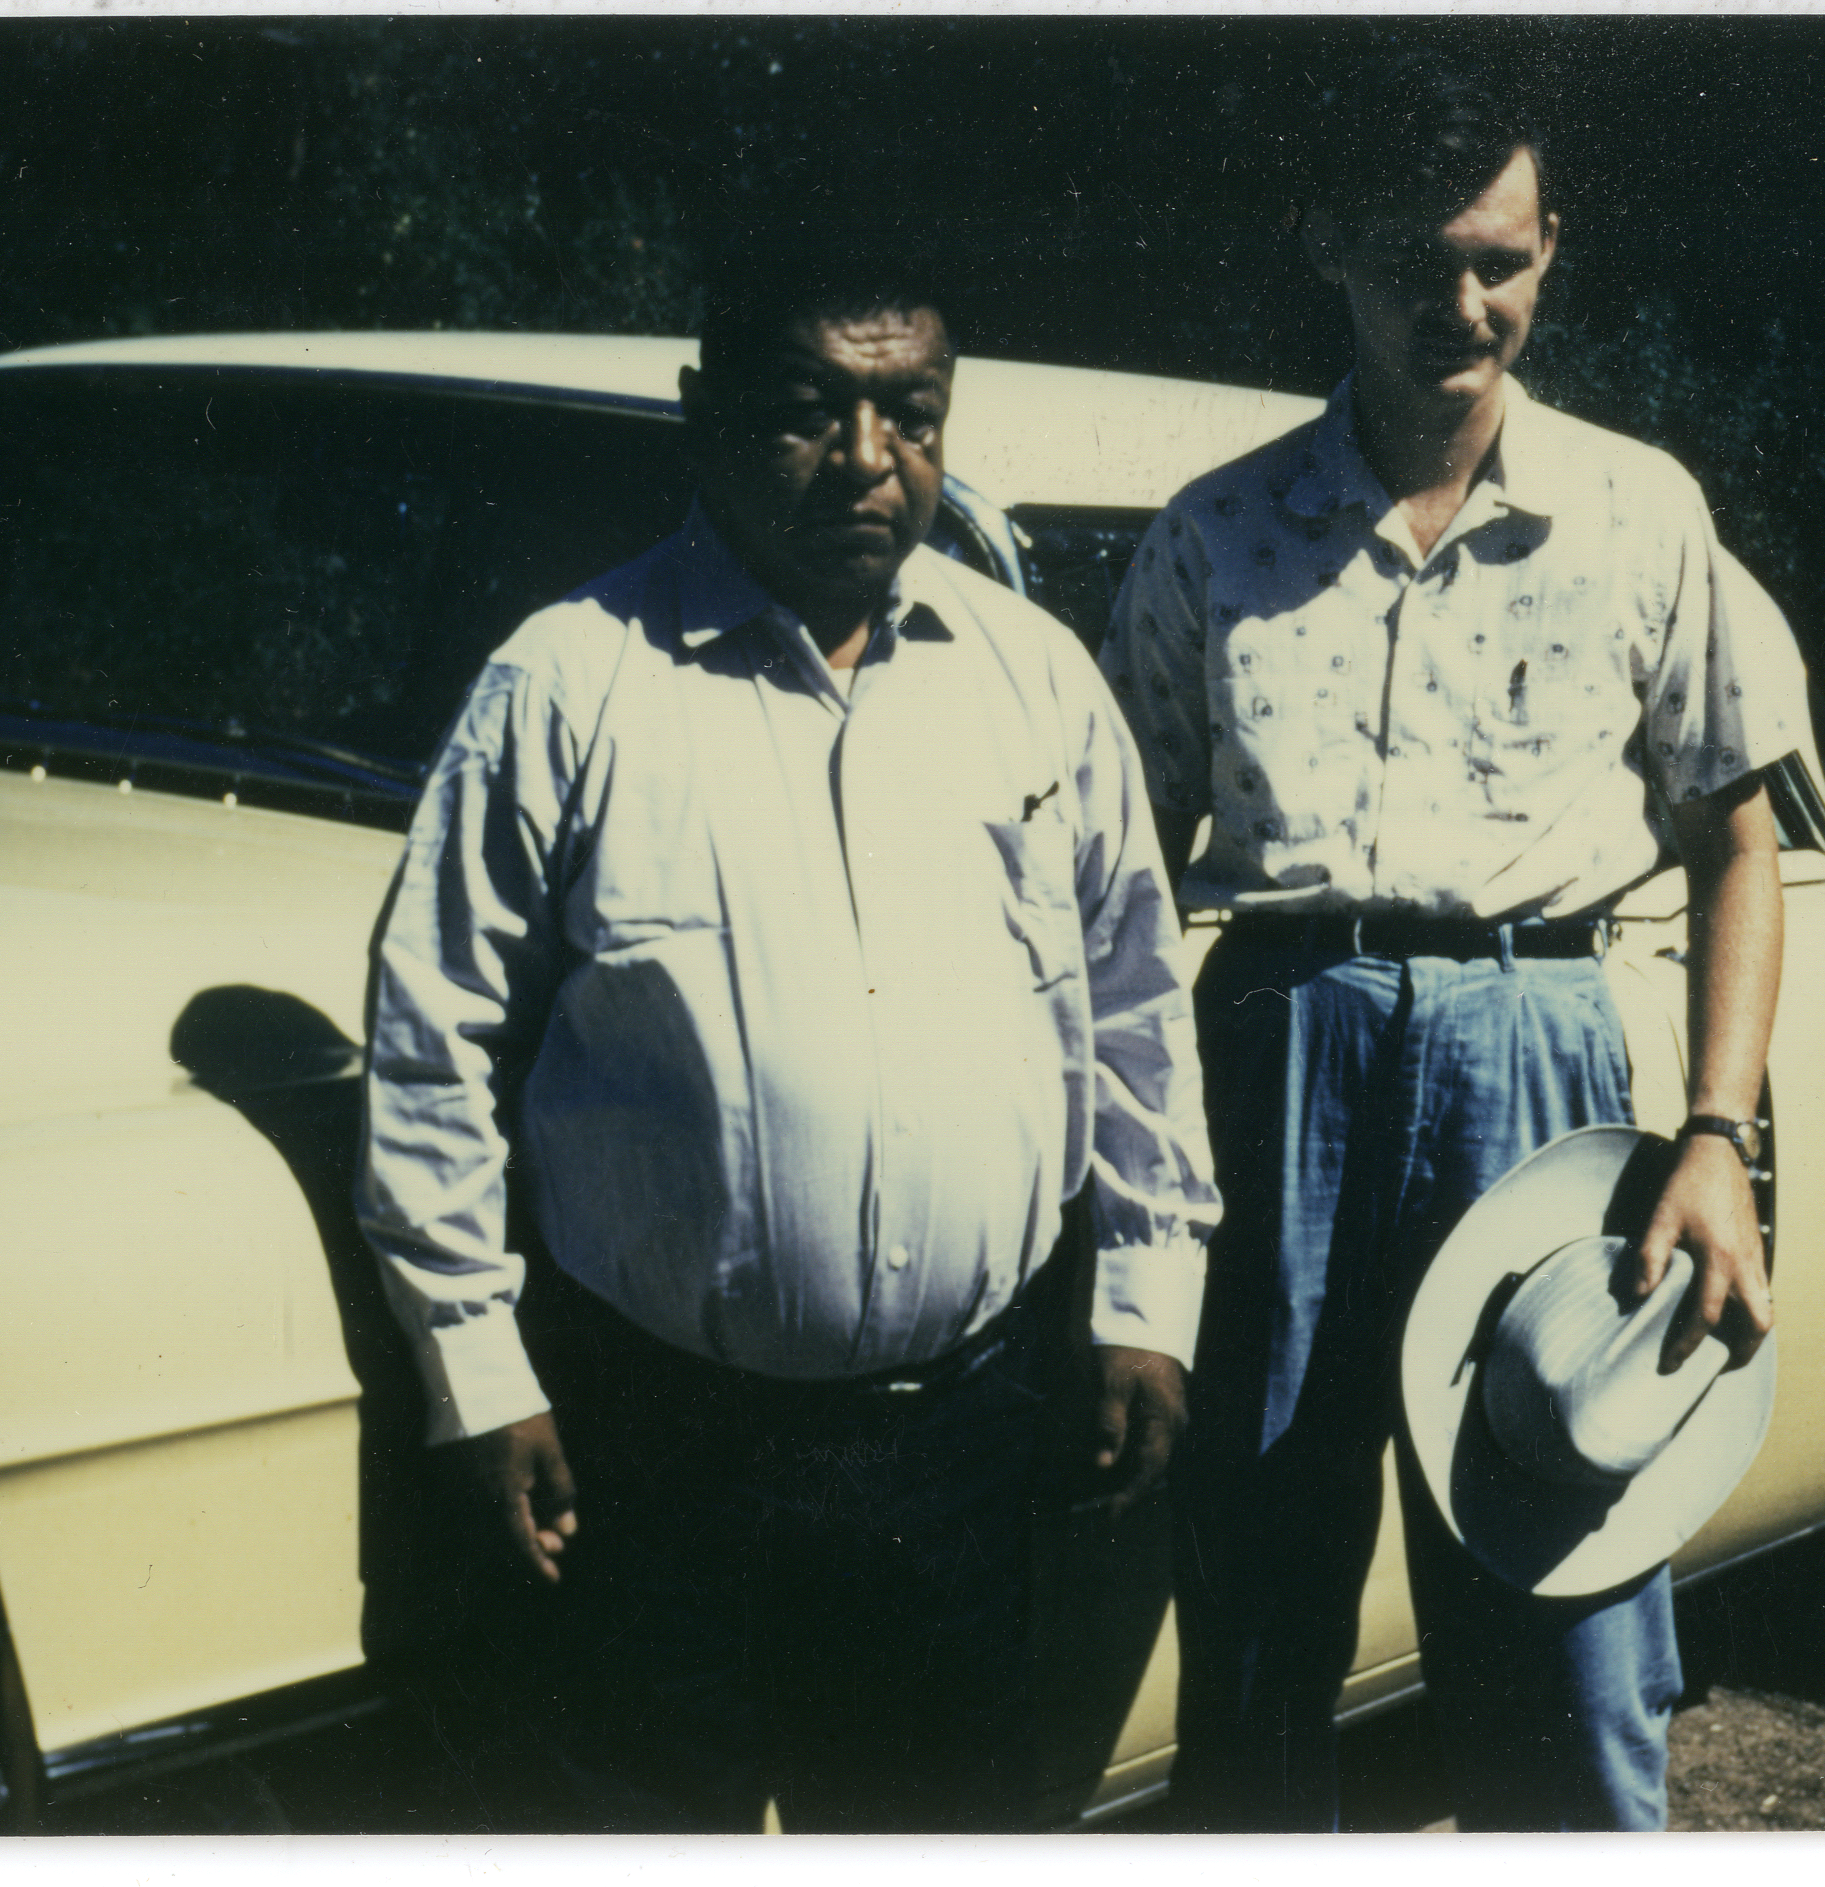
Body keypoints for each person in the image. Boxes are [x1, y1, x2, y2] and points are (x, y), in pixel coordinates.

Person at [355, 224, 1216, 1833]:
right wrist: (477, 1370)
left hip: (962, 1455)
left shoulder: (1033, 681)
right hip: (656, 1456)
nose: (870, 464)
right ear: (704, 410)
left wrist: (1146, 1299)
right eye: (809, 411)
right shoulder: (570, 685)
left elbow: (1133, 1009)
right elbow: (433, 1039)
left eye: (916, 412)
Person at [1099, 50, 1806, 1832]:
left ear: (1551, 250)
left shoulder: (1641, 516)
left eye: (1499, 257)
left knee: (1567, 1592)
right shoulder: (1218, 536)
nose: (1463, 302)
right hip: (1282, 1052)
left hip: (1544, 1066)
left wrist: (1717, 1139)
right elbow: (1109, 887)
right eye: (1419, 260)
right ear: (1328, 248)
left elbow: (1739, 846)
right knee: (1258, 1603)